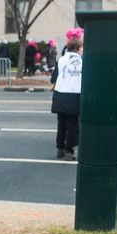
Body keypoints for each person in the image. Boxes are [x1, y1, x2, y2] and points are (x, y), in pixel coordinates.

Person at [49, 29, 83, 160]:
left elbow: (54, 79)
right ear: (78, 48)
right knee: (72, 125)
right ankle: (69, 150)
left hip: (60, 94)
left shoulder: (62, 60)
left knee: (61, 124)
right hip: (74, 95)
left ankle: (60, 148)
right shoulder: (82, 61)